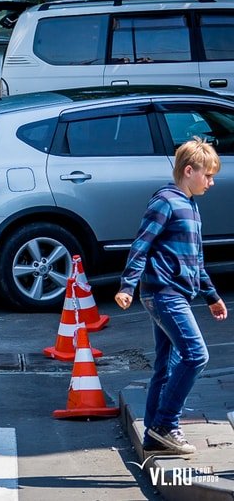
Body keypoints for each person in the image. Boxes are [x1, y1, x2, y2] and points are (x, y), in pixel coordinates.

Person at [115, 138, 227, 456]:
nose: (212, 182)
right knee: (196, 354)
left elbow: (196, 260)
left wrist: (211, 296)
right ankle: (166, 424)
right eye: (207, 175)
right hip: (163, 293)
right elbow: (141, 244)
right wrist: (126, 286)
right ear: (188, 170)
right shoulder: (166, 201)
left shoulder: (190, 206)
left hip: (176, 292)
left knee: (167, 365)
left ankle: (154, 435)